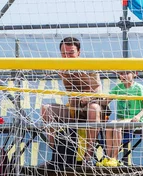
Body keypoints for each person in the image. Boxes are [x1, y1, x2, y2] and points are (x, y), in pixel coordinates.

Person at [41, 37, 109, 166]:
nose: (67, 57)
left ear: (79, 52)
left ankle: (87, 157)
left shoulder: (89, 66)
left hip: (90, 107)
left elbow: (98, 91)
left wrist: (88, 98)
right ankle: (56, 155)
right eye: (64, 54)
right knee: (46, 108)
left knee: (93, 109)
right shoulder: (63, 67)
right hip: (73, 109)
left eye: (71, 53)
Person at [104, 70, 143, 166]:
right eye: (121, 73)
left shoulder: (138, 88)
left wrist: (138, 116)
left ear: (134, 74)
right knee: (108, 126)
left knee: (117, 127)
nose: (124, 76)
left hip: (134, 119)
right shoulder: (118, 88)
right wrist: (92, 99)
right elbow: (105, 102)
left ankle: (114, 158)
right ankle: (107, 157)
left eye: (127, 73)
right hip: (121, 119)